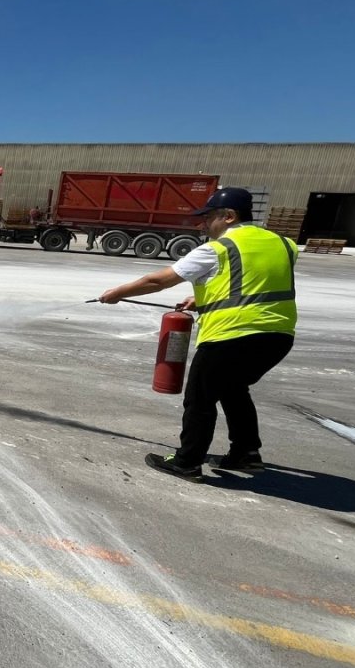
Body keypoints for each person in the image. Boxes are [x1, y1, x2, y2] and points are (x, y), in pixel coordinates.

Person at [98, 187, 298, 482]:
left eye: (208, 217)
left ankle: (187, 462)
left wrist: (117, 293)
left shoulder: (218, 249)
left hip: (231, 336)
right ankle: (245, 454)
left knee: (200, 399)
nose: (203, 225)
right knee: (233, 389)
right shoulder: (283, 244)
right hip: (278, 336)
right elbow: (256, 282)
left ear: (229, 216)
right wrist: (201, 300)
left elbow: (158, 281)